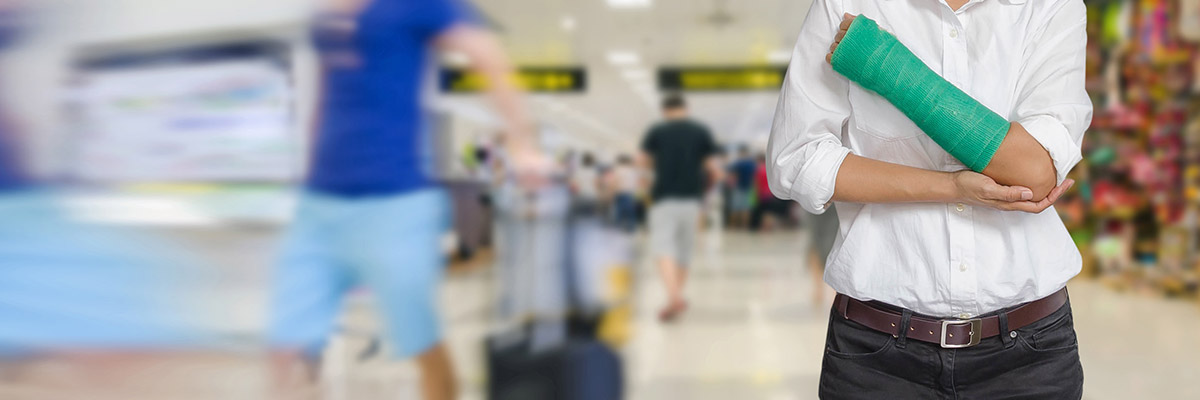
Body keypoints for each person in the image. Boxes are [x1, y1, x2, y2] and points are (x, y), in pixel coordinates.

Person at [768, 1, 1088, 398]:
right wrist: (952, 187)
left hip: (1029, 356)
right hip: (877, 356)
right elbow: (795, 161)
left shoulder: (1049, 7)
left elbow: (1033, 173)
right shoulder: (846, 4)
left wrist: (887, 66)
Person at [268, 1, 545, 399]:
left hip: (394, 202)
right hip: (319, 202)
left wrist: (522, 142)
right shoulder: (324, 10)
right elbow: (327, 92)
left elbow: (487, 56)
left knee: (420, 342)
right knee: (285, 343)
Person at [639, 94, 722, 322]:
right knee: (684, 249)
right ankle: (677, 296)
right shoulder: (699, 132)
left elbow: (642, 161)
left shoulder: (657, 131)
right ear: (685, 109)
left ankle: (673, 296)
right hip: (691, 199)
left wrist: (649, 177)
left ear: (665, 111)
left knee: (663, 247)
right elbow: (713, 168)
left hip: (663, 197)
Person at [727, 145, 757, 228]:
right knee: (746, 208)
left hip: (738, 187)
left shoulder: (737, 163)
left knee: (735, 208)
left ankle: (733, 225)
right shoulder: (751, 164)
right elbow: (754, 176)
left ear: (740, 152)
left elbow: (733, 175)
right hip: (748, 187)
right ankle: (744, 226)